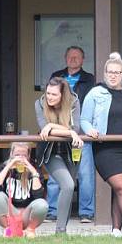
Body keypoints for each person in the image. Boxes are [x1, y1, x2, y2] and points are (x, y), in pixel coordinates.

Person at [81, 52, 122, 242]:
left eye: (117, 72)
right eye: (110, 72)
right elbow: (84, 120)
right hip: (106, 149)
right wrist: (90, 130)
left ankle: (116, 230)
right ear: (105, 73)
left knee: (121, 190)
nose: (113, 75)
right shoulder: (95, 93)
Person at [47, 46, 97, 223]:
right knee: (55, 176)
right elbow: (49, 103)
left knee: (85, 175)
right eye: (70, 57)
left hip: (81, 135)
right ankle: (52, 212)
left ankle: (86, 212)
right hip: (59, 134)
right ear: (65, 58)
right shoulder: (57, 77)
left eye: (77, 57)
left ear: (83, 60)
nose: (73, 59)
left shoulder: (90, 79)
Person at [35, 77, 83, 234]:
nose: (49, 97)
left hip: (71, 151)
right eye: (48, 93)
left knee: (69, 189)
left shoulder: (74, 101)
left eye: (54, 94)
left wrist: (53, 126)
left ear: (63, 95)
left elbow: (76, 129)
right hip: (50, 152)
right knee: (67, 184)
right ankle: (60, 230)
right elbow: (44, 130)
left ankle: (63, 230)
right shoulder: (40, 103)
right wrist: (67, 131)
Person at [0, 142, 48, 238]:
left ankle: (30, 230)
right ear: (11, 154)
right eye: (17, 155)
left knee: (42, 204)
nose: (20, 158)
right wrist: (8, 166)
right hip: (10, 213)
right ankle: (9, 229)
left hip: (27, 213)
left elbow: (39, 196)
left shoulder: (34, 168)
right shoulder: (4, 167)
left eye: (23, 155)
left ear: (28, 156)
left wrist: (33, 172)